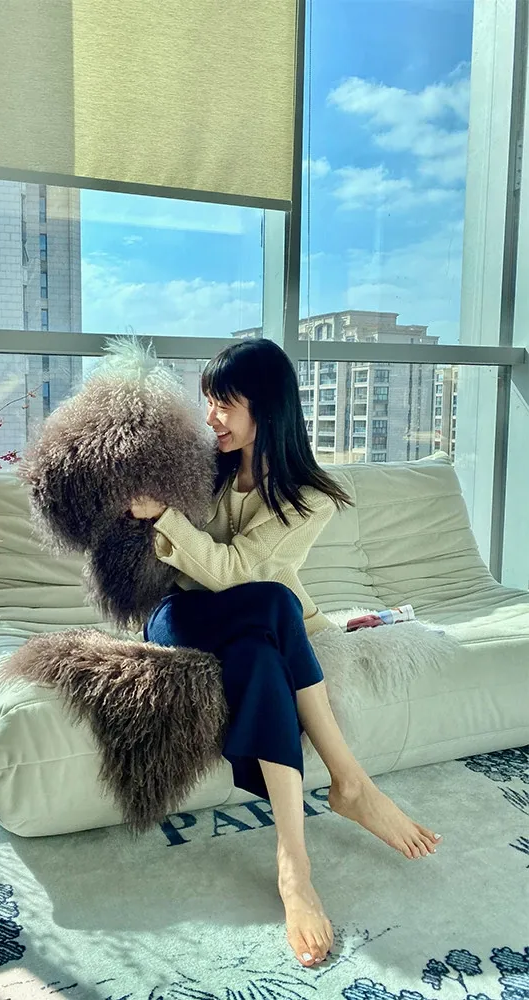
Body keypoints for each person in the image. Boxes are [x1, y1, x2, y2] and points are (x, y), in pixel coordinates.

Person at [129, 339, 442, 969]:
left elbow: (235, 572)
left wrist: (167, 517)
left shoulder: (309, 497)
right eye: (208, 403)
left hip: (250, 627)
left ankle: (293, 866)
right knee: (275, 605)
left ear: (266, 406)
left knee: (261, 655)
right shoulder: (200, 467)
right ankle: (349, 781)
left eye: (224, 404)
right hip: (178, 618)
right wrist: (155, 507)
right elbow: (221, 577)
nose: (211, 417)